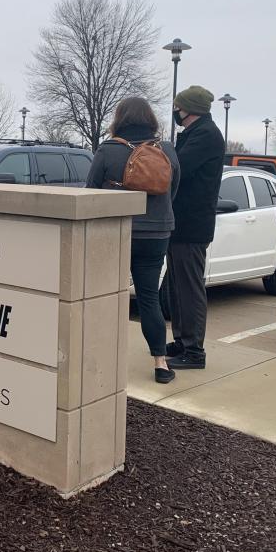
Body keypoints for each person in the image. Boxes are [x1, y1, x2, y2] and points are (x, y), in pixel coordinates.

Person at [87, 98, 180, 383]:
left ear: (120, 119)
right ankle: (161, 364)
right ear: (150, 119)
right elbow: (173, 189)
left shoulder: (108, 150)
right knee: (149, 298)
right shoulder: (166, 150)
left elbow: (90, 191)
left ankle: (97, 360)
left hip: (117, 232)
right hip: (157, 233)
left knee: (104, 296)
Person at [165, 85, 224, 370]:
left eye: (178, 107)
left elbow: (177, 168)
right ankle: (181, 340)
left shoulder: (205, 136)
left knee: (189, 289)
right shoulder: (194, 134)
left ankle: (193, 350)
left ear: (189, 109)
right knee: (177, 288)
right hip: (181, 225)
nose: (176, 111)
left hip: (191, 226)